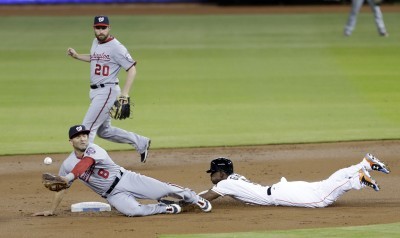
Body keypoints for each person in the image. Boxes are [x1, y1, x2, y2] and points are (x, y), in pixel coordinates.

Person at [33, 125, 212, 217]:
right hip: (112, 195)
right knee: (134, 212)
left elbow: (84, 165)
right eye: (78, 137)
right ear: (70, 141)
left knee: (164, 189)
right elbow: (62, 188)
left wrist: (68, 177)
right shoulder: (67, 164)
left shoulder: (94, 150)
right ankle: (164, 208)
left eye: (84, 135)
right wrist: (51, 210)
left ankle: (194, 198)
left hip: (127, 179)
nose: (82, 139)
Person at [67, 16, 150, 163]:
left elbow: (132, 69)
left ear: (109, 28)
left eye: (103, 28)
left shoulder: (117, 47)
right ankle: (141, 142)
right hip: (95, 92)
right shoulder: (95, 42)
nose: (101, 31)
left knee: (87, 129)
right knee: (104, 131)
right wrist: (77, 56)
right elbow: (95, 58)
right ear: (94, 28)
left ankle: (84, 164)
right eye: (98, 28)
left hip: (108, 91)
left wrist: (125, 93)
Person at [199, 155, 390, 208]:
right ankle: (363, 164)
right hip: (284, 187)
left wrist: (179, 204)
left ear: (222, 173)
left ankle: (356, 179)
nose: (211, 176)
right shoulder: (234, 179)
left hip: (281, 194)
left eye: (213, 172)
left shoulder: (224, 184)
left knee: (322, 200)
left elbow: (203, 199)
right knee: (324, 185)